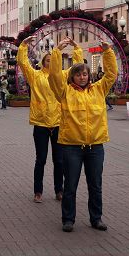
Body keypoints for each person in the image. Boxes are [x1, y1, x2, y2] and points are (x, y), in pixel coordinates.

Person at [48, 38, 117, 233]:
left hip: (95, 146)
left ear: (89, 75)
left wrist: (108, 52)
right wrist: (56, 53)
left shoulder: (98, 89)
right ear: (72, 77)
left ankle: (96, 218)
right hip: (71, 147)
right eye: (78, 74)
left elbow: (111, 74)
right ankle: (68, 219)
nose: (82, 77)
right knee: (70, 186)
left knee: (95, 185)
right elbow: (53, 76)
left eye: (85, 74)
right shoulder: (64, 92)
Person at [17, 35, 83, 204]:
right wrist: (24, 45)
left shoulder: (63, 76)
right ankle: (38, 191)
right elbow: (23, 63)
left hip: (58, 123)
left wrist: (76, 49)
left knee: (59, 160)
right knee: (41, 159)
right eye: (47, 60)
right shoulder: (35, 76)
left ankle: (59, 190)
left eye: (52, 60)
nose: (50, 62)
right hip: (40, 123)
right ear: (43, 62)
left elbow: (77, 67)